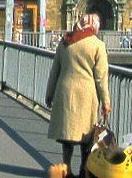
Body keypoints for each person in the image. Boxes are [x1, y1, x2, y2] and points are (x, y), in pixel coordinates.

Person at [46, 13, 111, 178]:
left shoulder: (65, 41)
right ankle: (84, 169)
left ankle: (66, 169)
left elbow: (55, 71)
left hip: (65, 92)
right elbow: (101, 78)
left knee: (68, 135)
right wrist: (106, 102)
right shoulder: (97, 45)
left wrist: (49, 94)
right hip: (86, 96)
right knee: (87, 136)